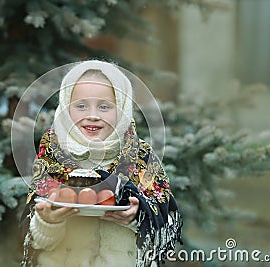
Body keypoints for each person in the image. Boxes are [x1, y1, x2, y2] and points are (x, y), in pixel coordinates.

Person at [21, 60, 182, 267]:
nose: (93, 116)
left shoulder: (141, 156)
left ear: (122, 109)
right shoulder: (52, 155)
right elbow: (37, 241)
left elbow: (163, 232)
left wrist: (137, 218)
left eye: (104, 107)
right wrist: (49, 222)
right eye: (81, 106)